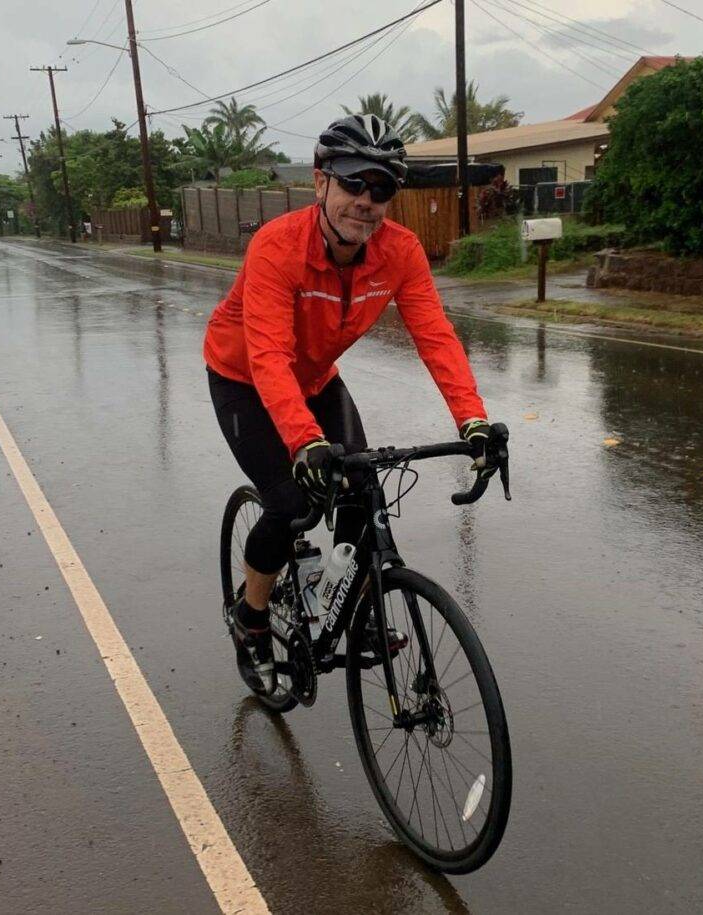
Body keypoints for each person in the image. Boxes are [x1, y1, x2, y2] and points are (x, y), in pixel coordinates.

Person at [203, 114, 497, 692]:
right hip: (242, 376)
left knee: (362, 488)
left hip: (314, 377)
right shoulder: (277, 247)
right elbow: (266, 355)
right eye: (353, 182)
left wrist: (474, 421)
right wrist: (304, 441)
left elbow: (435, 335)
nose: (366, 199)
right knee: (291, 503)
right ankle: (252, 617)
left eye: (381, 187)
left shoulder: (400, 252)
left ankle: (358, 609)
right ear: (321, 183)